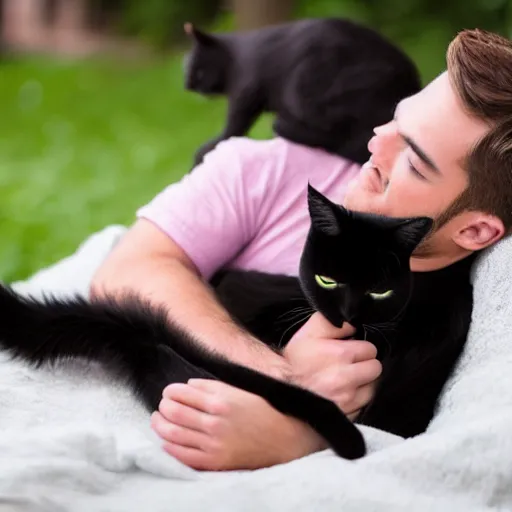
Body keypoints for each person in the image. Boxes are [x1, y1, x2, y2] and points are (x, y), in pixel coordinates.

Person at [90, 28, 512, 471]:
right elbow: (128, 270)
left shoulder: (453, 318)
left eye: (412, 160)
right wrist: (284, 381)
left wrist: (302, 440)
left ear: (477, 232)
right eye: (395, 119)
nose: (374, 143)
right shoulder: (268, 171)